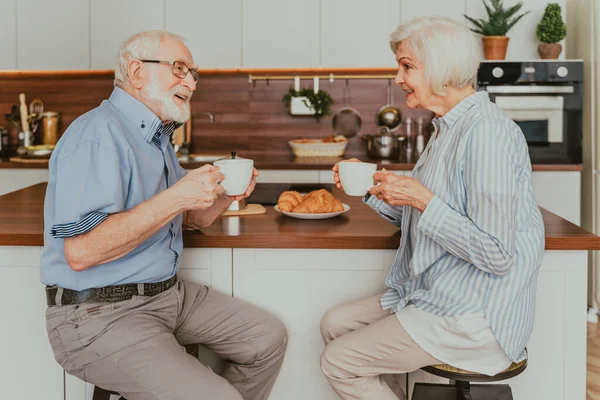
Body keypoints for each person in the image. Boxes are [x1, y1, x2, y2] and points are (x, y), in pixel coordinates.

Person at [41, 30, 287, 400]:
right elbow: (82, 252)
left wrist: (224, 197)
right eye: (179, 69)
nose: (190, 81)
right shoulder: (96, 135)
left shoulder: (155, 138)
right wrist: (176, 196)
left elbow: (188, 220)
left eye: (192, 73)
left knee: (266, 339)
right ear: (137, 72)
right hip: (97, 314)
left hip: (165, 296)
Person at [321, 16, 545, 400]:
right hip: (437, 292)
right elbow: (429, 214)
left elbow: (497, 254)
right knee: (334, 324)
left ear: (441, 68)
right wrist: (374, 189)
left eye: (406, 66)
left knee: (338, 361)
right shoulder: (448, 128)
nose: (397, 78)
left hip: (475, 315)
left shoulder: (486, 134)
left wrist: (421, 198)